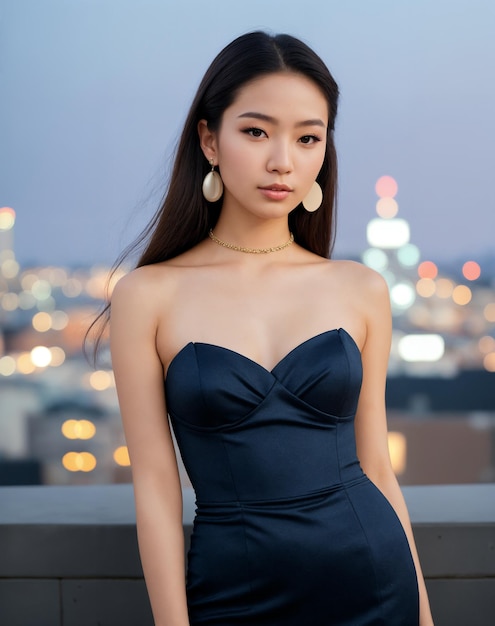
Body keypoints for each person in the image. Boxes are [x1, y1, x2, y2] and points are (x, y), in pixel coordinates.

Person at [107, 31, 434, 625]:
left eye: (308, 137)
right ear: (209, 139)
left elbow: (377, 465)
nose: (283, 159)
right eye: (256, 131)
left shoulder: (359, 288)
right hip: (235, 591)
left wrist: (426, 614)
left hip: (373, 580)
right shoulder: (146, 295)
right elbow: (155, 487)